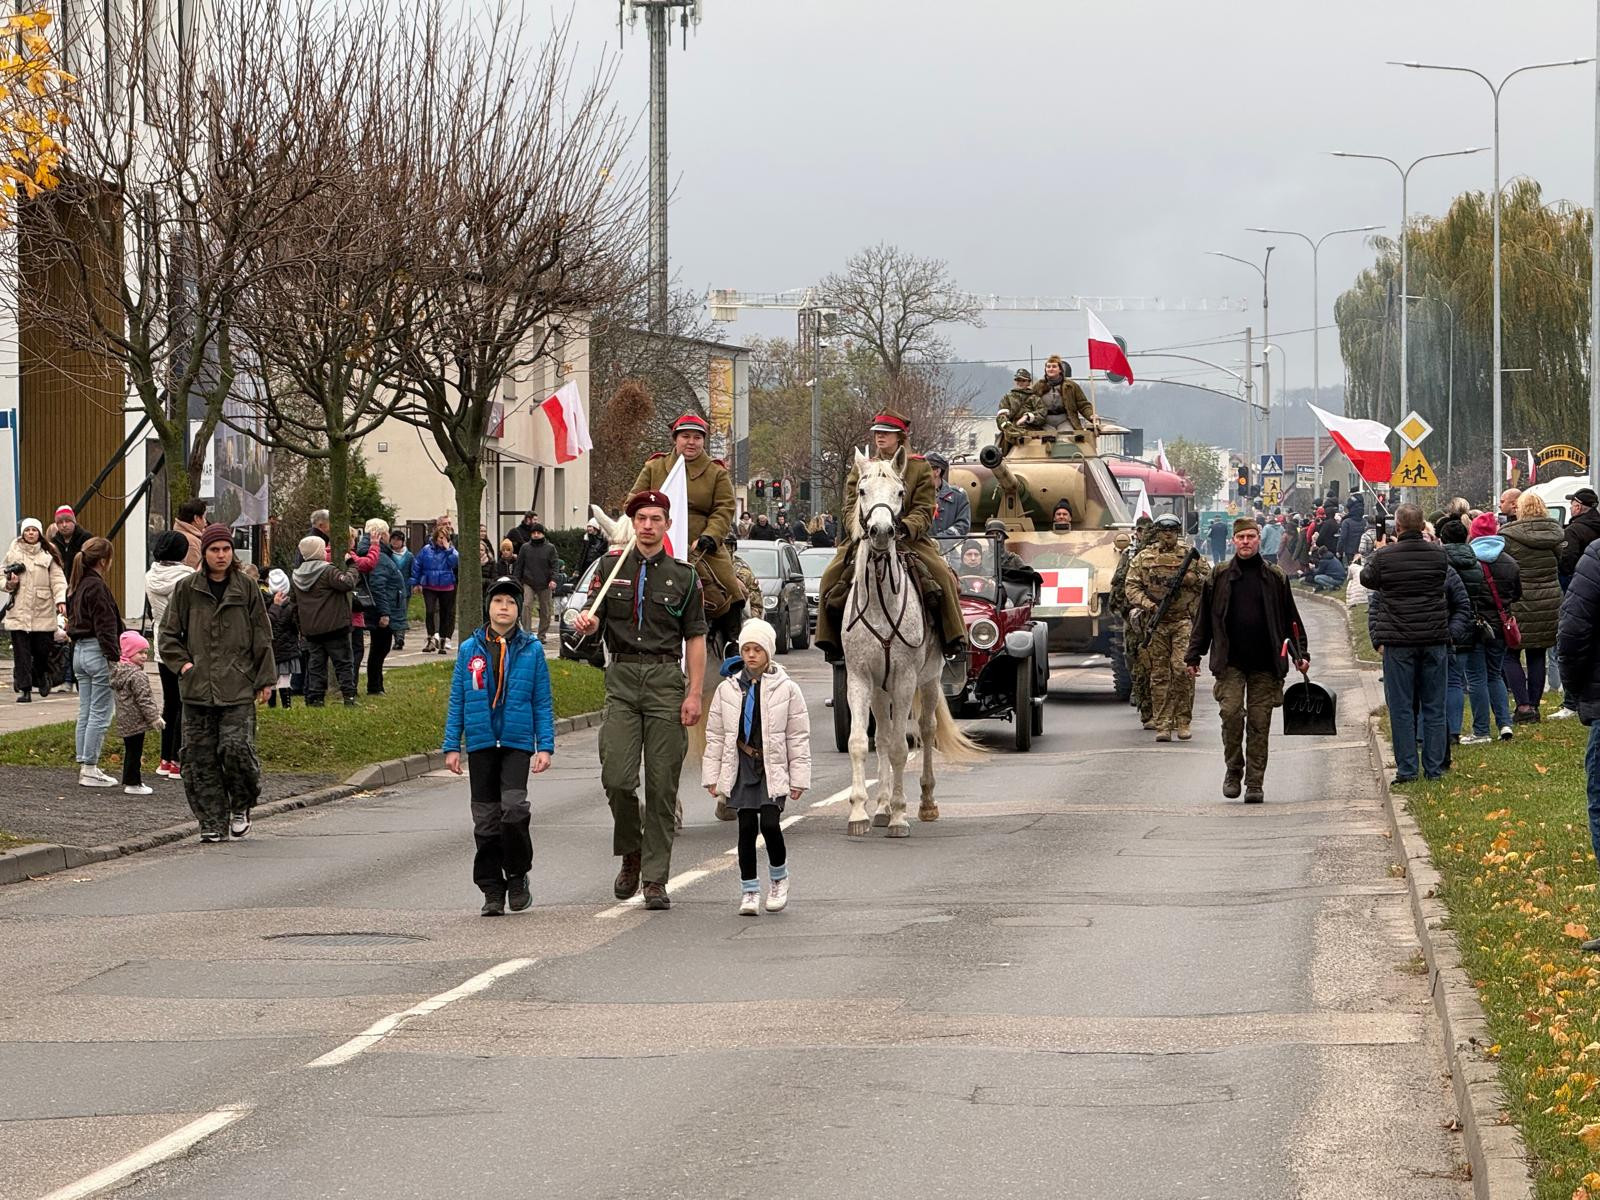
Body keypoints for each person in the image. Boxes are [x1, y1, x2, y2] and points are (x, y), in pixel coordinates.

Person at [571, 489, 707, 912]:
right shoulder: (611, 569)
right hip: (623, 681)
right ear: (633, 525)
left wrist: (695, 692)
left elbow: (696, 639)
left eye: (656, 519)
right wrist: (589, 624)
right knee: (616, 778)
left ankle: (653, 879)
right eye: (642, 519)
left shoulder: (683, 577)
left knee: (662, 786)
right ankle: (631, 850)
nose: (648, 526)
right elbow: (591, 625)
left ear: (667, 526)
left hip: (667, 680)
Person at [813, 409, 967, 662]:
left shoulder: (919, 467)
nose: (879, 437)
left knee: (941, 575)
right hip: (866, 536)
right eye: (877, 432)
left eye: (886, 433)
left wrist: (906, 526)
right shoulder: (863, 466)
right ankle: (831, 641)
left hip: (909, 539)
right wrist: (861, 528)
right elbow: (850, 504)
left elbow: (924, 508)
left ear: (900, 436)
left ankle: (952, 638)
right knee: (830, 577)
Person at [443, 576, 555, 916]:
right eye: (497, 602)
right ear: (488, 607)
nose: (503, 608)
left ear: (519, 609)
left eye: (510, 602)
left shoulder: (532, 650)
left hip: (516, 742)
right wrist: (452, 745)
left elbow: (542, 701)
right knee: (486, 820)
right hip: (480, 744)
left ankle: (518, 874)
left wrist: (544, 745)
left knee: (514, 809)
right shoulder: (469, 649)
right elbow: (457, 700)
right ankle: (492, 889)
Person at [159, 524, 276, 841]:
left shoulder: (247, 588)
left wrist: (265, 679)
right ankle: (211, 820)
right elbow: (168, 634)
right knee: (200, 759)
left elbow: (262, 635)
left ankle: (241, 804)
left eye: (226, 549)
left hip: (238, 686)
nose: (221, 555)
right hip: (197, 689)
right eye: (214, 550)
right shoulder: (187, 589)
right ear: (205, 553)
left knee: (236, 749)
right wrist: (184, 665)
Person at [1185, 518, 1309, 803]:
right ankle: (1233, 769)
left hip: (1266, 663)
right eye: (1240, 537)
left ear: (1258, 540)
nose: (1245, 542)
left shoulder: (1275, 577)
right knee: (1230, 715)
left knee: (1259, 722)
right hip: (1230, 662)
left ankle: (1255, 782)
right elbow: (1204, 619)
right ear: (1233, 540)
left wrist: (1300, 655)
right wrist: (1194, 655)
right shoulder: (1219, 576)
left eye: (1251, 537)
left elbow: (1291, 619)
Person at [703, 618, 809, 915]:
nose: (751, 655)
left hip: (772, 765)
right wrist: (713, 776)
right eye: (746, 649)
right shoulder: (728, 689)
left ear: (768, 653)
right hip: (742, 764)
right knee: (746, 828)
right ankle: (749, 889)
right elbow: (715, 735)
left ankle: (779, 878)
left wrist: (798, 777)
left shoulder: (786, 689)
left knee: (771, 824)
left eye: (757, 650)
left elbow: (797, 736)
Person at [1360, 504, 1451, 784]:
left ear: (1396, 527)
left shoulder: (1385, 556)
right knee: (1435, 705)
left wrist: (1377, 550)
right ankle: (1434, 769)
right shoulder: (1439, 554)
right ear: (1423, 525)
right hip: (1434, 636)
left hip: (1398, 639)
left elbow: (1367, 579)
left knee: (1401, 707)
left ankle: (1407, 769)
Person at [633, 412, 746, 624]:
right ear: (675, 438)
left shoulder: (716, 472)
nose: (691, 442)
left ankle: (733, 639)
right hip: (656, 535)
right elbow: (633, 500)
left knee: (729, 587)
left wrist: (710, 536)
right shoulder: (654, 467)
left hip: (700, 543)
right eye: (685, 436)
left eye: (697, 437)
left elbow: (724, 508)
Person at [1126, 513, 1209, 742]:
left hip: (1183, 621)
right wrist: (1149, 605)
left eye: (1172, 531)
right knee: (1159, 674)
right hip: (1157, 623)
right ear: (1158, 532)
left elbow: (1209, 582)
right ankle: (1163, 724)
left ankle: (1183, 721)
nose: (1168, 535)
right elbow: (1131, 587)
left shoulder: (1189, 556)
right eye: (1164, 531)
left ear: (1178, 532)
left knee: (1182, 670)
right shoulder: (1145, 557)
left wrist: (1192, 578)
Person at [1442, 516, 1517, 743]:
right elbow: (1516, 594)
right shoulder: (1509, 562)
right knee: (1495, 675)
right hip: (1500, 625)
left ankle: (1481, 730)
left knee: (1476, 678)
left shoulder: (1472, 560)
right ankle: (1505, 723)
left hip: (1478, 625)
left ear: (1473, 534)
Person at [1497, 491, 1561, 722]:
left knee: (1511, 652)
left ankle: (1523, 705)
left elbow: (1502, 565)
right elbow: (1561, 560)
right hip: (1549, 600)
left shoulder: (1508, 535)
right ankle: (1534, 705)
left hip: (1520, 599)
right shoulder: (1555, 533)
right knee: (1538, 653)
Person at [66, 538, 120, 787]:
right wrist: (114, 657)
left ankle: (84, 761)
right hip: (97, 651)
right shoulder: (97, 587)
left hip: (79, 651)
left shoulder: (77, 584)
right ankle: (90, 766)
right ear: (103, 561)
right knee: (101, 712)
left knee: (86, 710)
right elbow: (105, 624)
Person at [145, 533, 196, 775]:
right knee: (185, 702)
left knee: (170, 703)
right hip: (184, 643)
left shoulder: (150, 575)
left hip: (161, 642)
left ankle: (165, 758)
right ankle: (178, 759)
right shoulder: (187, 578)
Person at [3, 517, 66, 703]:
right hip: (19, 612)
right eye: (27, 530)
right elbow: (1, 574)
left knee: (41, 651)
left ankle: (42, 675)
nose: (31, 533)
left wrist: (61, 600)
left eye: (34, 530)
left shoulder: (48, 555)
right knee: (21, 654)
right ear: (22, 533)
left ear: (39, 534)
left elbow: (58, 580)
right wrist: (9, 583)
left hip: (43, 611)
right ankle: (25, 689)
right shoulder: (13, 553)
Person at [292, 534, 360, 706]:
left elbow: (294, 603)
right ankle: (349, 696)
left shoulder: (297, 575)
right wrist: (352, 565)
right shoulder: (327, 571)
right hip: (334, 626)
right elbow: (347, 584)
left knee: (316, 665)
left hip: (311, 629)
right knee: (343, 663)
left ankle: (315, 698)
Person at [110, 631, 164, 796]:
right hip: (136, 719)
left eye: (145, 652)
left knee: (130, 751)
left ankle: (130, 779)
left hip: (124, 719)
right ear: (129, 653)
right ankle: (133, 782)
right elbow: (144, 699)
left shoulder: (119, 672)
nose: (143, 656)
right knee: (135, 751)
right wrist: (154, 717)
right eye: (140, 652)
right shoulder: (138, 675)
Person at [363, 518, 407, 695]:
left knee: (381, 647)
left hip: (387, 605)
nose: (390, 536)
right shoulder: (379, 557)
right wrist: (385, 612)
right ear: (381, 535)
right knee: (380, 648)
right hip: (383, 609)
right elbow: (378, 585)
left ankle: (377, 684)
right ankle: (374, 686)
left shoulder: (381, 554)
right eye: (388, 533)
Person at [411, 525, 460, 653]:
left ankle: (443, 639)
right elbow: (417, 565)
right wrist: (415, 582)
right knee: (430, 611)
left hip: (446, 585)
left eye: (444, 538)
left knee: (445, 613)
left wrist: (448, 549)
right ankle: (430, 638)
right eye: (440, 537)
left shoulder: (451, 551)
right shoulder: (426, 550)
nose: (441, 540)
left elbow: (454, 562)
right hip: (430, 585)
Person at [514, 522, 561, 639]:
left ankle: (542, 635)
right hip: (528, 582)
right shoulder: (525, 548)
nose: (535, 535)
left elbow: (555, 565)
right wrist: (516, 580)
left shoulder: (550, 548)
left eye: (538, 533)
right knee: (526, 605)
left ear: (543, 534)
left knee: (545, 609)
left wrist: (554, 579)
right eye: (533, 533)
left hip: (545, 583)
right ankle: (526, 633)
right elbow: (519, 565)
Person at [1029, 355, 1097, 431]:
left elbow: (1083, 404)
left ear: (1060, 369)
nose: (1051, 369)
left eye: (1054, 366)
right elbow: (1029, 404)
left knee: (1067, 437)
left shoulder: (1071, 386)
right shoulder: (1038, 386)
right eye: (1048, 367)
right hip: (1044, 422)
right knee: (1046, 439)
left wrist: (1091, 415)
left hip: (1065, 420)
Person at [265, 568, 300, 709]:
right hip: (287, 649)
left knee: (272, 679)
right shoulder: (292, 608)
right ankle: (287, 705)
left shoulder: (267, 606)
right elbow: (295, 627)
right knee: (285, 679)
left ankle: (272, 705)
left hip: (272, 649)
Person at [995, 367, 1041, 454]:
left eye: (1023, 380)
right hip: (1011, 433)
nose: (1020, 383)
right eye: (1018, 380)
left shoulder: (1035, 398)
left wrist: (1028, 417)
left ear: (1028, 382)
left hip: (1031, 432)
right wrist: (1007, 426)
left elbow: (1041, 414)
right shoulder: (1007, 397)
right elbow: (1001, 416)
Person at [926, 452, 971, 537]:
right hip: (921, 548)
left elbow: (962, 526)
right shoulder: (915, 495)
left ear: (937, 472)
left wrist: (939, 540)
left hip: (950, 548)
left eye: (925, 469)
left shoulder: (959, 496)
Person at [50, 505, 92, 585]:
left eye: (68, 521)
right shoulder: (54, 543)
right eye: (60, 522)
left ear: (74, 522)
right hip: (61, 587)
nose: (64, 525)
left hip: (83, 585)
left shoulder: (86, 538)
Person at [387, 530, 414, 651]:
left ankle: (400, 638)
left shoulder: (409, 556)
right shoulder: (387, 555)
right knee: (391, 614)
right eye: (393, 539)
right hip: (390, 590)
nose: (395, 542)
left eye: (398, 539)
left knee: (402, 614)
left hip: (405, 590)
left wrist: (414, 584)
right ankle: (394, 637)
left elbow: (412, 572)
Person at [725, 532, 764, 616]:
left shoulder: (741, 570)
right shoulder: (706, 567)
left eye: (726, 546)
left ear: (733, 547)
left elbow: (756, 604)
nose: (722, 550)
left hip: (739, 618)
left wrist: (751, 621)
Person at [172, 498, 208, 569]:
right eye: (204, 517)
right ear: (196, 519)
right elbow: (192, 574)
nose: (205, 522)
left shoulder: (177, 535)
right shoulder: (192, 543)